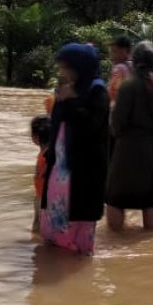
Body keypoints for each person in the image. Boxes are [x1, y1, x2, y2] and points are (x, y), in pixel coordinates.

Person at [40, 43, 109, 255]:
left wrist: (71, 101)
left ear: (79, 66)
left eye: (66, 67)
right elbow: (58, 124)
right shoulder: (70, 87)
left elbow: (91, 127)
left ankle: (77, 277)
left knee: (79, 236)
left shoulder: (97, 91)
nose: (62, 72)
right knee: (54, 233)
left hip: (84, 170)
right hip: (61, 168)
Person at [106, 41, 153, 231]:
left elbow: (117, 124)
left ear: (134, 60)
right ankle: (150, 242)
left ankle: (115, 242)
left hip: (130, 148)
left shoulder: (129, 86)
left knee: (115, 198)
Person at [30, 115, 52, 233]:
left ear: (36, 137)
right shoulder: (48, 154)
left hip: (43, 198)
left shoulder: (46, 156)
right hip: (45, 196)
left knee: (38, 228)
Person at [107, 36, 133, 104]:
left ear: (124, 51)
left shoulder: (119, 69)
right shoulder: (133, 66)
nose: (111, 57)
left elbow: (115, 96)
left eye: (114, 52)